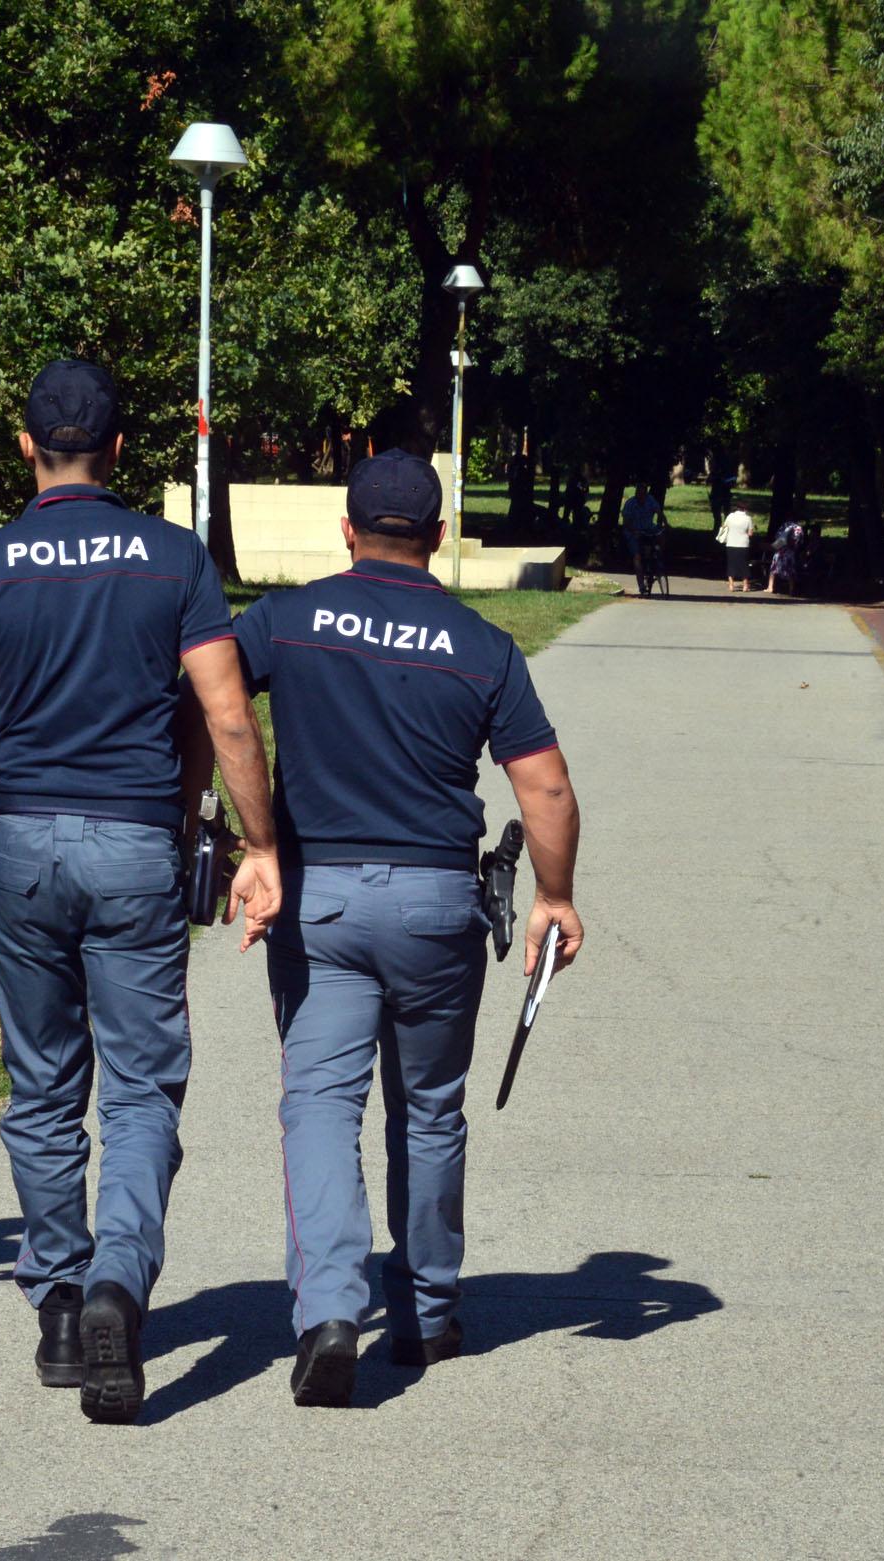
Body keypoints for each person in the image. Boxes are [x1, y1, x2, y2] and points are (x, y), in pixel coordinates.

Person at [0, 361, 280, 1425]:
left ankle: (61, 1302)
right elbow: (227, 712)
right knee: (144, 1086)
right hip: (133, 844)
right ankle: (119, 1277)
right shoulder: (173, 560)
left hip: (17, 843)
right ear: (119, 451)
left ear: (27, 446)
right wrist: (258, 842)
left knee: (43, 1085)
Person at [230, 450, 584, 1408]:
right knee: (430, 1107)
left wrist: (245, 833)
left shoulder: (286, 621)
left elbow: (211, 702)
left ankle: (332, 1309)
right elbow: (544, 784)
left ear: (345, 530)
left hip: (324, 903)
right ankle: (428, 1310)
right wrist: (553, 895)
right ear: (437, 536)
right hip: (436, 905)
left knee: (320, 1104)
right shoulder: (481, 647)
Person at [620, 487, 667, 592]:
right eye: (639, 494)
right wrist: (634, 531)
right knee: (637, 557)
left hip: (648, 528)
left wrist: (665, 524)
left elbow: (659, 512)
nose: (641, 497)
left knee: (660, 535)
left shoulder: (650, 500)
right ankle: (641, 585)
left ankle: (658, 556)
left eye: (643, 494)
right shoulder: (630, 504)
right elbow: (626, 522)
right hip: (633, 531)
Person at [716, 504, 754, 592]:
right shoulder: (748, 518)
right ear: (744, 509)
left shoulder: (730, 516)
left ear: (736, 508)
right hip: (743, 544)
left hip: (731, 543)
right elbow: (750, 533)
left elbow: (724, 527)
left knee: (731, 563)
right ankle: (745, 586)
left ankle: (731, 585)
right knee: (744, 564)